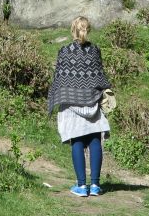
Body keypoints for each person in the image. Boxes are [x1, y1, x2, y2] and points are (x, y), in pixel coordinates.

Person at [47, 16, 112, 198]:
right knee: (94, 140)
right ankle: (96, 186)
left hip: (71, 101)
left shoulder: (64, 51)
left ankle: (82, 186)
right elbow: (99, 76)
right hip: (92, 102)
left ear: (72, 30)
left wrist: (57, 95)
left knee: (77, 140)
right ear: (87, 30)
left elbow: (59, 78)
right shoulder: (95, 51)